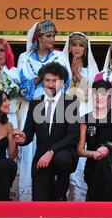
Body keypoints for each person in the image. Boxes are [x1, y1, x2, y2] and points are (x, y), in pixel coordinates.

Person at [16, 20, 71, 201]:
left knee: (58, 146)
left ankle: (59, 192)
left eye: (54, 36)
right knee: (30, 143)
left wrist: (50, 87)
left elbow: (67, 82)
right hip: (32, 106)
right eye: (48, 36)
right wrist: (38, 81)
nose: (52, 39)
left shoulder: (60, 57)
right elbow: (21, 87)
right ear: (38, 38)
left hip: (56, 108)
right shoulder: (24, 57)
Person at [15, 62, 79, 201]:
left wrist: (51, 152)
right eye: (47, 80)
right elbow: (29, 134)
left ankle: (61, 193)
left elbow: (73, 135)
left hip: (63, 156)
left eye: (54, 81)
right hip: (41, 159)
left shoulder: (70, 103)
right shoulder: (35, 103)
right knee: (40, 202)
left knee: (61, 159)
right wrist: (22, 138)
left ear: (62, 83)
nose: (50, 84)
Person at [77, 80, 112, 201]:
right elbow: (79, 151)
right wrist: (95, 153)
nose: (99, 98)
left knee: (105, 165)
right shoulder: (85, 119)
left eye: (103, 94)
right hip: (94, 165)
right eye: (96, 94)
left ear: (109, 98)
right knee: (101, 164)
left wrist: (111, 151)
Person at [63, 32, 98, 201]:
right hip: (65, 114)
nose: (77, 48)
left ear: (85, 49)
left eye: (80, 45)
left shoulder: (91, 70)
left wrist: (78, 77)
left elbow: (90, 95)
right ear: (69, 47)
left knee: (82, 152)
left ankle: (82, 200)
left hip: (84, 111)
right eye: (74, 44)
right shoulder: (61, 66)